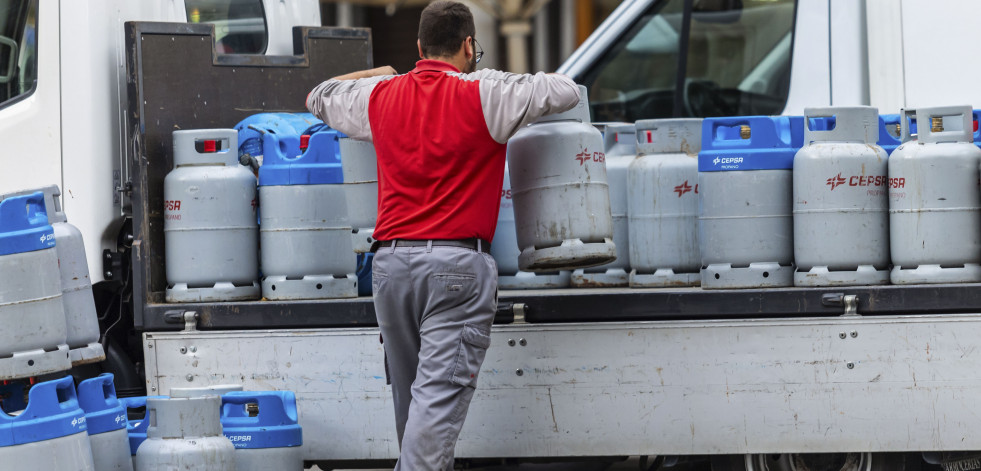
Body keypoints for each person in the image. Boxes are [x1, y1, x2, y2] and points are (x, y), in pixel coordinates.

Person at [306, 2, 580, 468]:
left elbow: (319, 95)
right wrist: (487, 75)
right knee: (430, 429)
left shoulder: (379, 95)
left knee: (415, 421)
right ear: (469, 45)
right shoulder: (485, 93)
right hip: (456, 270)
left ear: (419, 48)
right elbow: (565, 90)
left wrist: (380, 73)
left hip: (390, 270)